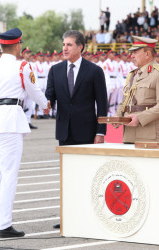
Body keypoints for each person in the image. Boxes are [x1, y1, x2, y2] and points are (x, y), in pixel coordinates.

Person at [0, 28, 49, 238]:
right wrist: (46, 104)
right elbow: (33, 90)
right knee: (9, 173)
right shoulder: (22, 65)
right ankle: (4, 225)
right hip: (10, 119)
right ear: (18, 46)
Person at [45, 30, 108, 228]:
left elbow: (102, 104)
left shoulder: (94, 71)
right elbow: (50, 97)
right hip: (64, 131)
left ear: (80, 47)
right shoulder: (54, 70)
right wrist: (42, 101)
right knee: (67, 176)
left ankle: (88, 215)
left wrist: (100, 131)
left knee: (88, 175)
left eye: (69, 44)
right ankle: (67, 216)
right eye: (64, 44)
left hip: (87, 132)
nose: (64, 48)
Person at [113, 36, 159, 143]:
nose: (132, 56)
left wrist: (139, 118)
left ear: (147, 54)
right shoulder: (133, 75)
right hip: (130, 134)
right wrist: (118, 115)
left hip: (150, 136)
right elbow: (125, 101)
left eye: (135, 52)